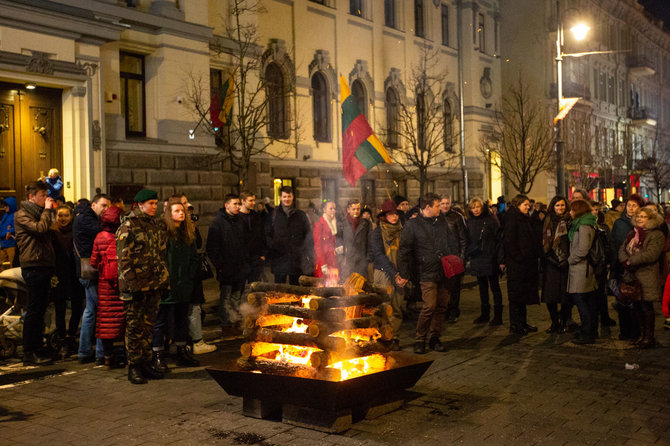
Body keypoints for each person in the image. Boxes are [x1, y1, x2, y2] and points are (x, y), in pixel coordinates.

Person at [117, 189, 170, 384]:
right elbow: (124, 261)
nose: (154, 207)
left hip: (153, 285)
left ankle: (147, 363)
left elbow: (160, 256)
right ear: (140, 205)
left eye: (156, 203)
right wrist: (133, 287)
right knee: (134, 327)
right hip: (135, 288)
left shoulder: (154, 226)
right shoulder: (128, 227)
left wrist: (164, 281)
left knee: (149, 326)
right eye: (150, 204)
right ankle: (134, 366)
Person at [398, 193, 460, 354]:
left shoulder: (442, 222)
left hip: (444, 270)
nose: (441, 208)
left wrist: (454, 258)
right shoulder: (412, 225)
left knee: (441, 306)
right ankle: (420, 339)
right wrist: (404, 273)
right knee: (429, 306)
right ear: (427, 208)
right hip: (426, 272)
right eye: (437, 205)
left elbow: (451, 241)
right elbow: (404, 250)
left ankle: (435, 338)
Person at [152, 199, 200, 372]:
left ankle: (181, 350)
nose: (181, 213)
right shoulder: (163, 233)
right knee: (161, 321)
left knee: (182, 319)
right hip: (167, 285)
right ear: (169, 214)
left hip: (183, 285)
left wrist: (189, 277)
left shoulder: (188, 233)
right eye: (177, 210)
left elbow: (194, 257)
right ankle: (157, 355)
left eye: (183, 211)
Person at [15, 181, 56, 365]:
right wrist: (48, 210)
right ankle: (29, 352)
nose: (46, 199)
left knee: (40, 311)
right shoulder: (22, 214)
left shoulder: (40, 214)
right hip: (33, 266)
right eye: (42, 195)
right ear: (32, 197)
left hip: (44, 265)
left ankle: (38, 347)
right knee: (33, 311)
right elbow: (40, 229)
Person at [618, 205, 666, 348]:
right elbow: (623, 248)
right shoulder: (632, 233)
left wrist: (630, 261)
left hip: (647, 275)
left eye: (643, 216)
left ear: (651, 219)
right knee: (636, 307)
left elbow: (651, 254)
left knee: (647, 306)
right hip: (632, 275)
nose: (639, 219)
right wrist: (624, 260)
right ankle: (640, 335)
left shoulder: (656, 234)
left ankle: (648, 337)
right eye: (638, 216)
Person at [74, 193, 111, 364]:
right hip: (89, 270)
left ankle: (85, 351)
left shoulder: (87, 218)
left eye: (108, 207)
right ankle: (99, 352)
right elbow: (102, 231)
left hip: (88, 270)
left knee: (91, 310)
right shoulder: (86, 220)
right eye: (103, 206)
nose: (106, 210)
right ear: (93, 205)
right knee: (100, 310)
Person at [90, 206, 125, 369]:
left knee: (106, 325)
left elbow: (93, 262)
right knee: (123, 322)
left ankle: (108, 358)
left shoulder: (99, 237)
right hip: (122, 284)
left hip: (105, 286)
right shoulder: (122, 236)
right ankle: (126, 355)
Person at [207, 194, 247, 337]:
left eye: (238, 204)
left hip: (239, 268)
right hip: (227, 269)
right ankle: (226, 325)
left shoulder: (240, 221)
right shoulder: (217, 223)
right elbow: (212, 248)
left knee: (236, 297)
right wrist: (221, 265)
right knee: (225, 298)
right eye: (235, 204)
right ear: (226, 205)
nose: (238, 207)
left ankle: (235, 321)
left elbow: (244, 244)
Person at [369, 199, 406, 350]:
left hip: (400, 273)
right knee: (384, 307)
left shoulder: (402, 230)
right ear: (384, 216)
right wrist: (393, 273)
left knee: (397, 306)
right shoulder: (377, 233)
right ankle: (383, 336)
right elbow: (378, 255)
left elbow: (406, 253)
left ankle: (394, 336)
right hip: (383, 273)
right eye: (391, 214)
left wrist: (404, 274)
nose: (395, 217)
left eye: (396, 213)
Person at [503, 194, 542, 335]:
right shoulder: (513, 219)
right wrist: (518, 257)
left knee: (523, 295)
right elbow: (509, 241)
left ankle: (522, 322)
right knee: (516, 295)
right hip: (517, 264)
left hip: (526, 263)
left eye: (528, 205)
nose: (528, 207)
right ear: (517, 205)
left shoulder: (525, 219)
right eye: (525, 205)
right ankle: (515, 324)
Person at [609, 194, 645, 340]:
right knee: (622, 300)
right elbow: (613, 244)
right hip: (621, 266)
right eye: (628, 205)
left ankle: (637, 331)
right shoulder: (619, 223)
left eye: (634, 205)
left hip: (638, 267)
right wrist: (614, 263)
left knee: (636, 302)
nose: (630, 208)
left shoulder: (642, 223)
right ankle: (624, 331)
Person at [50, 205, 84, 356]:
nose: (63, 219)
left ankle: (71, 335)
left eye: (66, 216)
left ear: (71, 217)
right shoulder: (52, 232)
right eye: (60, 216)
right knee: (60, 308)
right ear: (56, 217)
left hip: (74, 273)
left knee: (77, 306)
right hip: (59, 273)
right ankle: (61, 338)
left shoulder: (76, 231)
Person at [264, 186, 313, 285]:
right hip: (279, 257)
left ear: (293, 197)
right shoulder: (273, 215)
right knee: (279, 289)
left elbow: (307, 235)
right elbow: (267, 234)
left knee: (295, 289)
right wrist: (272, 248)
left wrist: (307, 253)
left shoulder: (300, 215)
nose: (287, 199)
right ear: (281, 198)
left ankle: (295, 301)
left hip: (296, 258)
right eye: (284, 196)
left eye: (289, 196)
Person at [466, 197, 503, 325]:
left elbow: (499, 239)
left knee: (494, 286)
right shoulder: (470, 221)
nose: (475, 210)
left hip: (490, 256)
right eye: (473, 207)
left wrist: (500, 258)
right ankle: (485, 313)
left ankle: (498, 316)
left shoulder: (491, 220)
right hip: (477, 256)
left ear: (482, 207)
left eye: (477, 207)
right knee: (482, 287)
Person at [566, 199, 599, 344]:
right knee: (587, 301)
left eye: (573, 210)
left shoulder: (584, 226)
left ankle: (587, 332)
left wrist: (570, 260)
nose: (570, 212)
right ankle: (590, 330)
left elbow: (583, 249)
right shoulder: (582, 224)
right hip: (581, 269)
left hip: (582, 269)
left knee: (581, 301)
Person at [541, 196, 571, 333]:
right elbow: (543, 242)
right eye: (557, 205)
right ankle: (554, 322)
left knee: (565, 296)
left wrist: (566, 260)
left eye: (562, 205)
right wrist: (551, 259)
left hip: (566, 261)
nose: (560, 208)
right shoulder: (547, 220)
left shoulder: (570, 220)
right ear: (553, 207)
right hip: (551, 262)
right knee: (550, 296)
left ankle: (564, 321)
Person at [440, 195, 468, 324]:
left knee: (455, 287)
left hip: (454, 257)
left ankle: (454, 311)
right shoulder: (436, 218)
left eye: (447, 203)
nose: (445, 205)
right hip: (441, 257)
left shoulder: (457, 217)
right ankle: (445, 310)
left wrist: (462, 258)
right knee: (444, 287)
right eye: (442, 203)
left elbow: (463, 239)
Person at [238, 191, 267, 284]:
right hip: (242, 259)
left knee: (255, 287)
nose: (254, 203)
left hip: (256, 258)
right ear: (242, 201)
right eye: (250, 200)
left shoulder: (256, 216)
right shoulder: (236, 217)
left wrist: (263, 255)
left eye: (254, 200)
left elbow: (262, 235)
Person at [339, 199, 371, 280]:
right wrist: (341, 259)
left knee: (360, 288)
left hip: (361, 263)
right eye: (353, 209)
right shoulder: (342, 224)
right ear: (348, 210)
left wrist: (367, 259)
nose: (356, 211)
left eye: (358, 209)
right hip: (347, 262)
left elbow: (370, 242)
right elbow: (339, 242)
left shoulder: (366, 224)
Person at [313, 200, 339, 278]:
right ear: (324, 210)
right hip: (323, 261)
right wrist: (323, 264)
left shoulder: (335, 222)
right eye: (330, 208)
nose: (333, 211)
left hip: (333, 260)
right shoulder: (319, 224)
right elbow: (318, 246)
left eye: (334, 208)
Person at [0, 196, 17, 271]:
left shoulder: (16, 215)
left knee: (13, 265)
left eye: (6, 206)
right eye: (4, 206)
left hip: (11, 244)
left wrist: (8, 231)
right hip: (3, 244)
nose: (4, 207)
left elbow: (17, 227)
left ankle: (13, 281)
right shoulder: (5, 215)